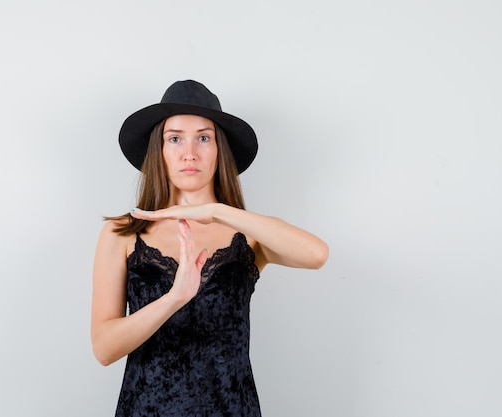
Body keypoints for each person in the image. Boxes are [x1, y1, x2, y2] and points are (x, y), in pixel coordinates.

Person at [91, 79, 328, 416]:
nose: (190, 153)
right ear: (158, 150)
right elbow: (104, 348)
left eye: (204, 138)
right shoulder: (121, 233)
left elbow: (316, 255)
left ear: (220, 151)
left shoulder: (248, 235)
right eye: (174, 139)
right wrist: (174, 298)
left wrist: (215, 210)